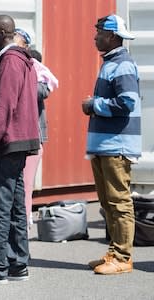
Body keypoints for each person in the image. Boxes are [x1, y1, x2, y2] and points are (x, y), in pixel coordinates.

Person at [0, 15, 39, 284]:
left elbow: (4, 106)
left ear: (3, 32)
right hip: (22, 139)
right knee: (16, 205)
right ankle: (18, 265)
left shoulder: (10, 60)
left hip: (9, 141)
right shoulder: (21, 59)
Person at [83, 14, 140, 275]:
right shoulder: (110, 63)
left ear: (113, 36)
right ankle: (114, 251)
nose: (95, 37)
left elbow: (127, 103)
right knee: (108, 203)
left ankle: (123, 257)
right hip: (105, 146)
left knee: (119, 202)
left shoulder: (123, 65)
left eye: (99, 33)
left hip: (116, 146)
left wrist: (94, 105)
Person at [14, 28, 59, 227]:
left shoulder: (37, 70)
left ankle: (25, 219)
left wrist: (21, 80)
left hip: (33, 136)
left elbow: (42, 92)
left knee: (25, 182)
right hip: (14, 136)